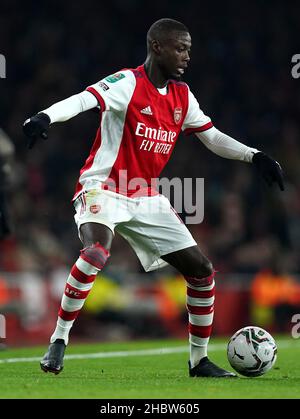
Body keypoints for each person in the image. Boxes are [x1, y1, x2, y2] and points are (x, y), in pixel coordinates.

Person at [23, 18, 284, 377]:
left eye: (189, 49)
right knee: (97, 251)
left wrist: (254, 155)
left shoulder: (182, 95)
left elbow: (213, 137)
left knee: (202, 270)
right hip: (102, 187)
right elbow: (85, 100)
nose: (187, 56)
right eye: (180, 48)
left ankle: (199, 361)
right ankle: (59, 340)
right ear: (157, 47)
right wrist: (45, 116)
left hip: (144, 195)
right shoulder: (127, 82)